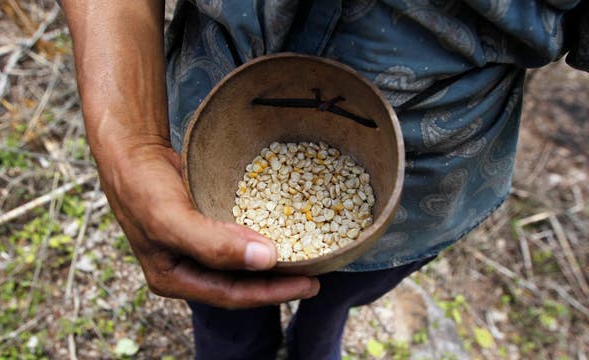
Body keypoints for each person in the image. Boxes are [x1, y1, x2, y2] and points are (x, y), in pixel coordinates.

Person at [59, 1, 588, 359]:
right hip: (206, 136)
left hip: (423, 182)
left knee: (343, 292)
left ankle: (320, 332)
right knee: (220, 302)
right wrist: (130, 137)